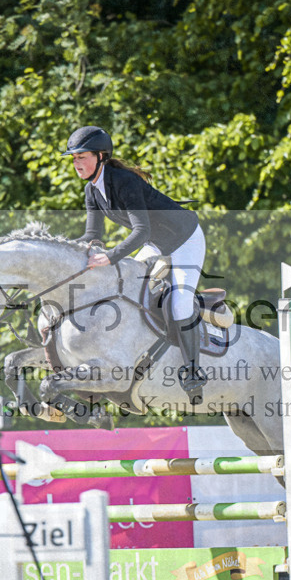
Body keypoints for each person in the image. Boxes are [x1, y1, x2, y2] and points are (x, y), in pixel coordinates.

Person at [62, 125, 208, 401]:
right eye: (74, 157)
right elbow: (93, 235)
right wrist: (76, 252)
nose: (76, 163)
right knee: (129, 292)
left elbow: (140, 231)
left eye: (82, 156)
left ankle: (192, 372)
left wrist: (111, 256)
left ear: (101, 156)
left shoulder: (123, 181)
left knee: (179, 302)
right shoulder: (92, 191)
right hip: (156, 243)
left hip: (185, 239)